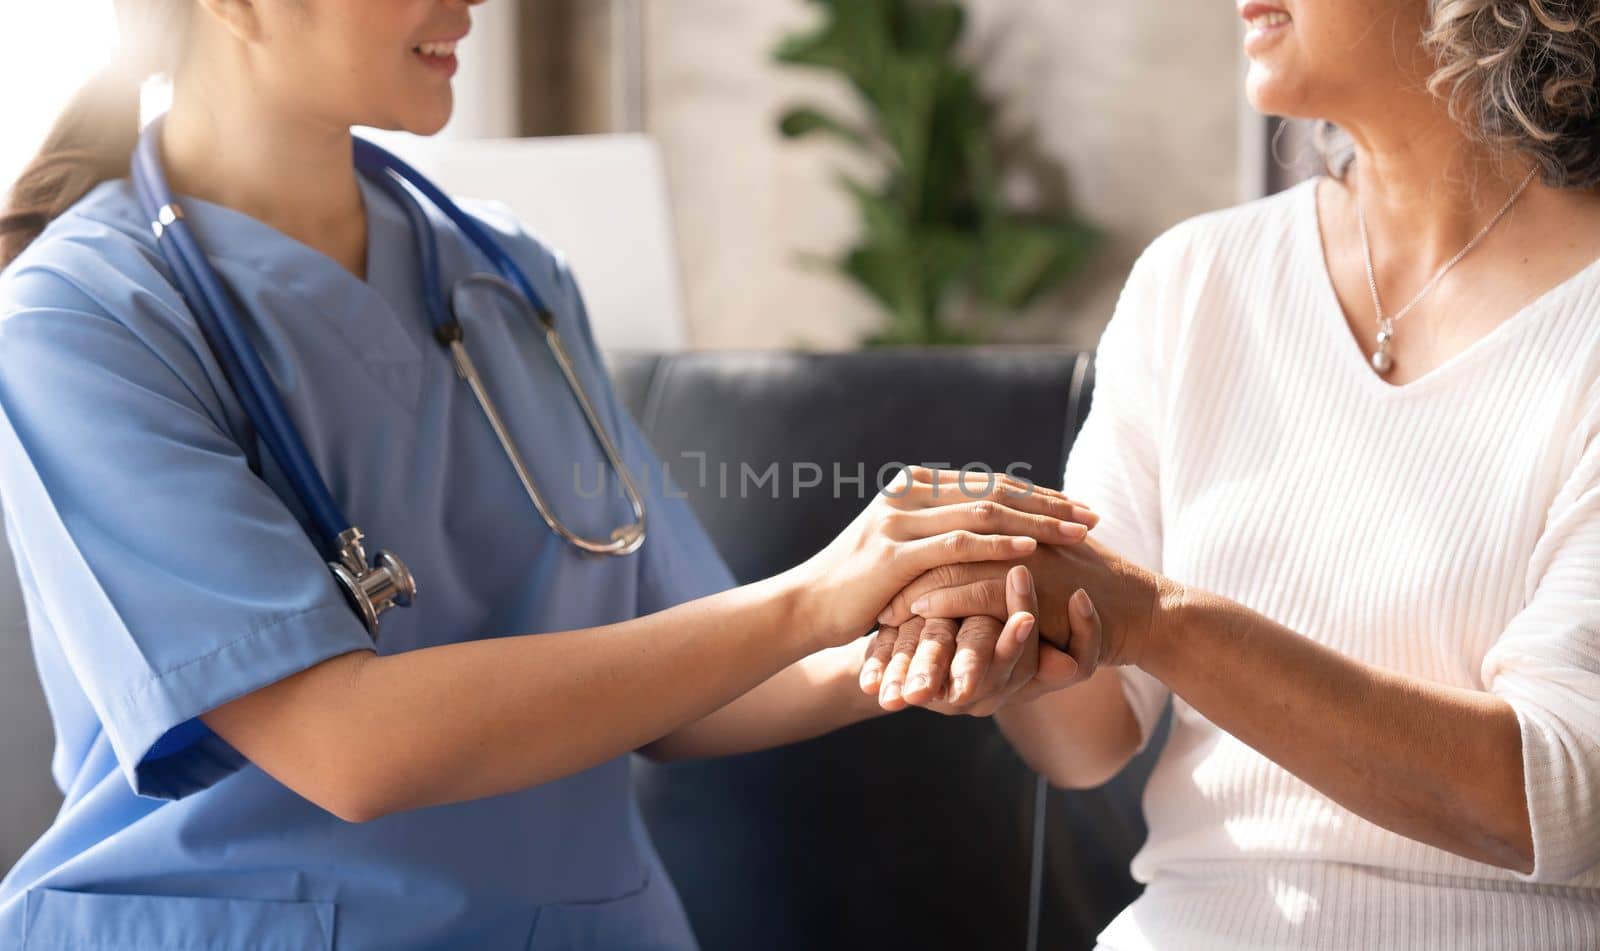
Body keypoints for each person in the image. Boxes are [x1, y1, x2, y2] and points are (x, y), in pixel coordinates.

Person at [0, 1, 1104, 947]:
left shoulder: (506, 273)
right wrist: (818, 596)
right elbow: (346, 744)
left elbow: (694, 672)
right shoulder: (77, 317)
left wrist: (930, 623)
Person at [868, 1, 1600, 947]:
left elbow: (1547, 798)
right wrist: (993, 614)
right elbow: (1087, 737)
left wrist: (1156, 621)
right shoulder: (1198, 278)